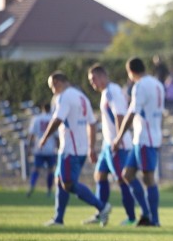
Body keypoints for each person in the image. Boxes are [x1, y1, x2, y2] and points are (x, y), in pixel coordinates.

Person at [38, 71, 111, 227]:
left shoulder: (64, 97)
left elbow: (58, 119)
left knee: (69, 184)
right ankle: (58, 219)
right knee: (60, 181)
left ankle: (102, 206)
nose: (52, 90)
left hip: (70, 149)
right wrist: (91, 146)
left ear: (57, 82)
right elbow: (92, 123)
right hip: (80, 147)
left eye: (52, 86)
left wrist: (44, 137)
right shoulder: (82, 97)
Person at [112, 57, 165, 227]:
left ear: (131, 71)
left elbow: (132, 112)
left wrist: (119, 136)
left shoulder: (140, 86)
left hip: (145, 138)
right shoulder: (157, 84)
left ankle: (154, 219)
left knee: (148, 178)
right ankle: (146, 214)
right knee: (127, 174)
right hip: (146, 138)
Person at [82, 64, 137, 226]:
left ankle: (132, 217)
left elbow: (120, 115)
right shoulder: (106, 92)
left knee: (122, 180)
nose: (92, 84)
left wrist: (118, 140)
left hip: (117, 146)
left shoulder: (113, 91)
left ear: (102, 76)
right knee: (99, 176)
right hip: (108, 144)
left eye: (94, 79)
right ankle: (101, 212)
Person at [26, 103, 57, 197]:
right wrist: (59, 148)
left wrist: (29, 147)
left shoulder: (36, 119)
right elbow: (57, 137)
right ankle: (49, 191)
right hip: (50, 149)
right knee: (50, 170)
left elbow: (31, 135)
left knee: (36, 169)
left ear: (42, 109)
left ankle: (31, 187)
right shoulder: (53, 119)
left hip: (39, 148)